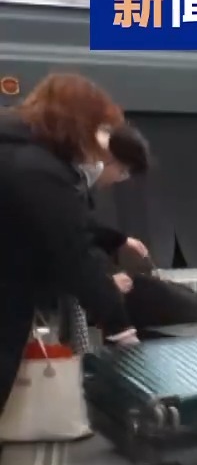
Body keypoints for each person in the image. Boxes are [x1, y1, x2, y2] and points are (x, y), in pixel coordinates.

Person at [0, 74, 138, 415]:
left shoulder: (14, 151)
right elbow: (72, 253)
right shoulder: (37, 170)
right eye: (99, 128)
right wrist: (120, 327)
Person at [90, 124, 197, 327]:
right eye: (122, 171)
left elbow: (81, 227)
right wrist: (105, 282)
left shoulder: (74, 184)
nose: (120, 179)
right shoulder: (62, 180)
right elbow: (69, 237)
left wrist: (121, 240)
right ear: (108, 159)